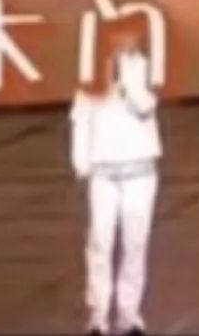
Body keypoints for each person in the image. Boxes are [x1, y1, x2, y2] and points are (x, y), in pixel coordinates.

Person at [70, 28, 162, 336]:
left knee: (135, 242)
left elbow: (145, 107)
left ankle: (129, 316)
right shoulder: (91, 78)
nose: (123, 46)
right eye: (118, 40)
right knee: (100, 241)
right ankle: (97, 316)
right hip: (103, 172)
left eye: (129, 40)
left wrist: (127, 82)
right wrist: (81, 163)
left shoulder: (142, 70)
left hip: (140, 169)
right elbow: (80, 120)